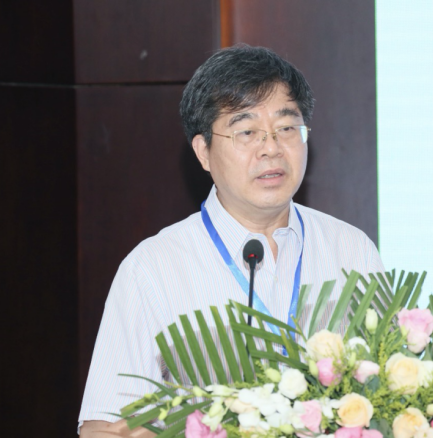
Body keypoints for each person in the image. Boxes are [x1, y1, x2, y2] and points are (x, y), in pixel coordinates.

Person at [78, 45, 384, 437]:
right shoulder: (153, 268)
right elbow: (101, 427)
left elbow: (389, 394)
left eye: (287, 128)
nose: (271, 147)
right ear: (204, 151)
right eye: (247, 132)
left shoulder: (351, 250)